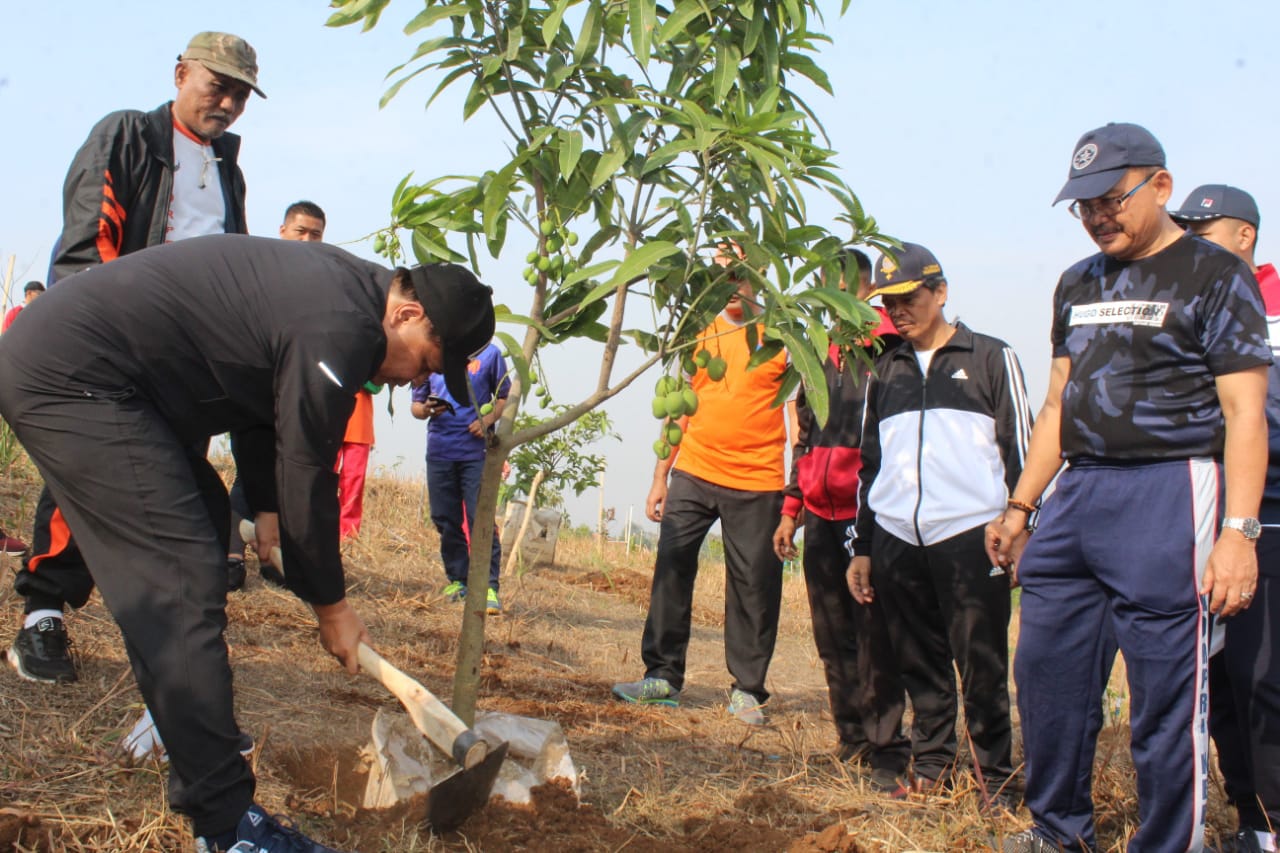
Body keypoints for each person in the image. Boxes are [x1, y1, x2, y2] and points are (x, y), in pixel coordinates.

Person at [0, 233, 496, 853]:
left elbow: (263, 400)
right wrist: (332, 608)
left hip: (117, 385)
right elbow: (308, 468)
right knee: (177, 577)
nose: (411, 380)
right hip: (75, 377)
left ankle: (191, 727)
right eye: (424, 362)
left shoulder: (345, 293)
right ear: (406, 314)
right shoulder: (341, 324)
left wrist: (263, 510)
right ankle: (228, 826)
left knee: (207, 522)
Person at [988, 125, 1270, 853]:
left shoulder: (1213, 273)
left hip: (1170, 488)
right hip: (1078, 493)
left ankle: (1172, 839)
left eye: (1112, 199)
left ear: (1161, 186)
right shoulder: (1078, 281)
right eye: (1083, 206)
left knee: (1165, 691)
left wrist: (1239, 532)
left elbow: (1244, 411)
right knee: (1045, 670)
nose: (1097, 217)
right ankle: (1057, 829)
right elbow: (1056, 402)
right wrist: (1021, 505)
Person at [6, 31, 261, 685]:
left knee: (172, 494)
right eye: (217, 84)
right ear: (181, 74)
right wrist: (113, 340)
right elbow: (90, 239)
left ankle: (164, 641)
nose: (227, 102)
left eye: (239, 93)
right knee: (81, 482)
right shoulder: (128, 138)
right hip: (117, 346)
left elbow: (233, 273)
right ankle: (43, 615)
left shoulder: (227, 170)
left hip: (188, 366)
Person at [845, 243, 1030, 806]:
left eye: (909, 297)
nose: (899, 310)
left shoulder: (992, 357)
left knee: (981, 664)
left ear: (941, 292)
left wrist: (1023, 525)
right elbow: (869, 463)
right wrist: (863, 546)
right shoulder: (885, 370)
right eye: (889, 301)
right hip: (900, 539)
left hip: (972, 539)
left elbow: (1020, 447)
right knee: (919, 663)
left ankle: (995, 778)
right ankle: (931, 768)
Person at [613, 244, 790, 725]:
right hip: (694, 469)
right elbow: (679, 407)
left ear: (759, 272)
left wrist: (795, 499)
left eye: (739, 272)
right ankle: (662, 676)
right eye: (721, 274)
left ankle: (748, 689)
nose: (731, 284)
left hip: (758, 480)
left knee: (754, 584)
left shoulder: (781, 336)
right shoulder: (699, 331)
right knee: (671, 568)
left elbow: (801, 418)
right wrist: (659, 476)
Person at [771, 248, 910, 783]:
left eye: (838, 285)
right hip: (820, 511)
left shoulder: (889, 347)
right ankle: (851, 737)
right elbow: (806, 434)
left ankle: (887, 748)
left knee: (872, 632)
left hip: (868, 512)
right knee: (831, 631)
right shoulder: (816, 354)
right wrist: (792, 507)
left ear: (864, 288)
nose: (830, 296)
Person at [1169, 184, 1278, 853]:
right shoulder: (1190, 303)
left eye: (1202, 235)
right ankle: (1250, 817)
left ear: (1245, 237)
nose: (1189, 247)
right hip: (1202, 505)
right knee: (1221, 679)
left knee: (1265, 676)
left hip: (1269, 514)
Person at [410, 341, 510, 614]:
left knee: (481, 519)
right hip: (440, 450)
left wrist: (487, 422)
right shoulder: (433, 347)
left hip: (475, 454)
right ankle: (458, 579)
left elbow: (504, 396)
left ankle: (488, 586)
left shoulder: (490, 353)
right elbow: (416, 406)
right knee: (445, 518)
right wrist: (428, 410)